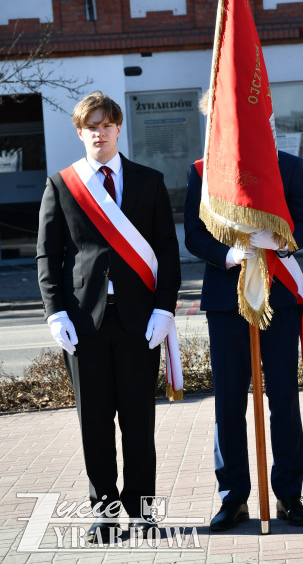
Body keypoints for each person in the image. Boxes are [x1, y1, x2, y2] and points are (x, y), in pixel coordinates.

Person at [36, 91, 181, 543]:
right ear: (80, 133)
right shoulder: (62, 185)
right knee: (94, 423)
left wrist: (164, 308)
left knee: (139, 421)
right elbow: (48, 256)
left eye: (106, 125)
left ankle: (143, 512)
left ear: (118, 128)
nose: (99, 133)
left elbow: (167, 252)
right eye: (90, 127)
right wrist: (55, 312)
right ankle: (104, 512)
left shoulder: (149, 181)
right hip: (84, 323)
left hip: (140, 320)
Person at [184, 150, 303, 531]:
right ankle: (233, 497)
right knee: (228, 400)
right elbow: (193, 233)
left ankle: (289, 494)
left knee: (284, 398)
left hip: (279, 296)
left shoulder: (288, 165)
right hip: (226, 298)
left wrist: (280, 239)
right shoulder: (203, 169)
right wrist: (227, 254)